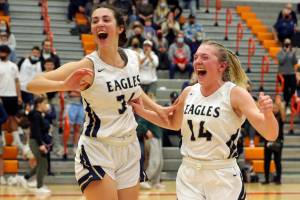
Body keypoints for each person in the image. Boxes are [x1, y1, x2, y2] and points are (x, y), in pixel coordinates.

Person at [27, 4, 168, 200]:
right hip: (98, 149)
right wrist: (64, 84)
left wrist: (160, 110)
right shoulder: (89, 65)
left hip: (129, 147)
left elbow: (134, 91)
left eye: (106, 19)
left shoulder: (132, 58)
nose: (99, 24)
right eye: (95, 21)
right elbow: (33, 83)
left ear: (120, 28)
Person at [130, 40, 279, 199]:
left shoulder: (235, 94)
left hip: (222, 174)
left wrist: (268, 114)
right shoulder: (189, 92)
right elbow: (173, 123)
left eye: (205, 57)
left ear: (221, 66)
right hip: (189, 173)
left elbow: (271, 135)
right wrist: (142, 111)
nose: (198, 61)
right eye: (195, 57)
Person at [262, 94, 285, 185]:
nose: (275, 108)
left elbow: (283, 113)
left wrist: (279, 104)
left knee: (277, 161)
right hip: (268, 141)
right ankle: (267, 179)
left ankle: (278, 179)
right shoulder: (268, 116)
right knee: (266, 160)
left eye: (276, 107)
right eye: (274, 107)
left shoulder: (281, 116)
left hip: (278, 142)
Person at [277, 38, 297, 110]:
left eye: (289, 43)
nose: (288, 45)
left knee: (293, 88)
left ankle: (286, 101)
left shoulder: (292, 52)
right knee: (285, 89)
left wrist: (293, 54)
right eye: (286, 43)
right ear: (284, 44)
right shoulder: (280, 52)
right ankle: (286, 104)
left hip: (291, 73)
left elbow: (295, 62)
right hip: (283, 74)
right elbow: (281, 61)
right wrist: (286, 53)